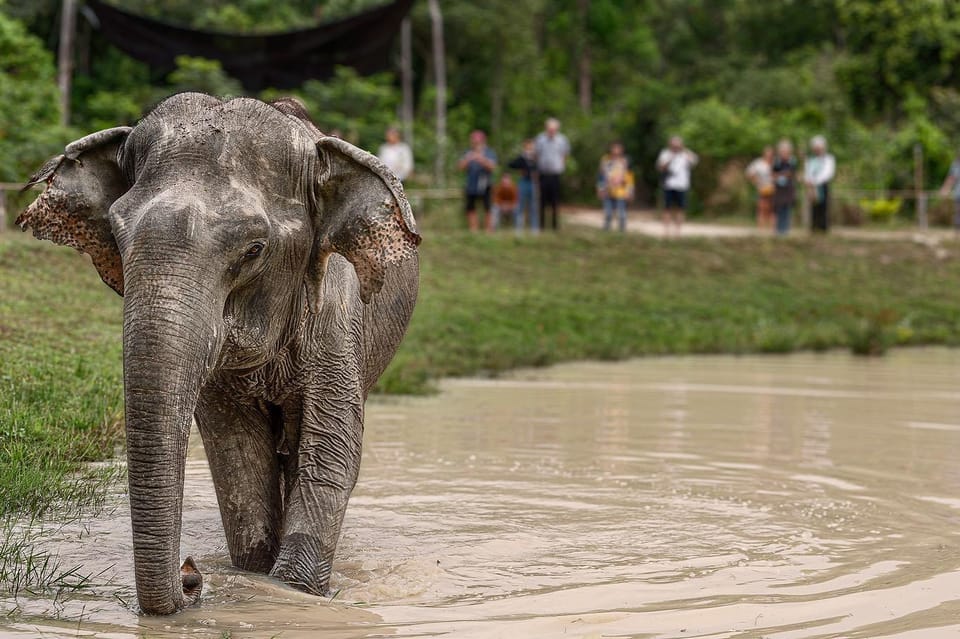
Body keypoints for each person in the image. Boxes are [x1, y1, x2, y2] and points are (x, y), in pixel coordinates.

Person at [656, 135, 698, 236]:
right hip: (668, 185)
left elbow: (694, 162)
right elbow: (660, 167)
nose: (675, 146)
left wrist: (683, 151)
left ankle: (678, 231)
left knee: (681, 208)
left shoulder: (686, 153)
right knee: (667, 208)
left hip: (682, 185)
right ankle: (666, 231)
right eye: (673, 144)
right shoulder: (665, 153)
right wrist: (671, 158)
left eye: (677, 144)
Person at [534, 117, 570, 231]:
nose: (551, 131)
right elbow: (536, 154)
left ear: (557, 129)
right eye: (549, 129)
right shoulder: (540, 139)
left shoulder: (562, 140)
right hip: (543, 173)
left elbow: (565, 155)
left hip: (555, 174)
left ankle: (555, 225)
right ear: (546, 128)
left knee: (555, 200)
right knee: (542, 201)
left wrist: (561, 166)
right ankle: (542, 225)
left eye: (553, 129)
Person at [458, 130, 497, 232]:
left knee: (487, 206)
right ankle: (473, 229)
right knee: (470, 207)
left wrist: (482, 159)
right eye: (473, 142)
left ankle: (488, 229)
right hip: (471, 184)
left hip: (486, 183)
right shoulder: (468, 152)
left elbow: (493, 167)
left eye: (477, 142)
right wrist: (468, 159)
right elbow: (460, 167)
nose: (475, 144)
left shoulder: (489, 152)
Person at [597, 142, 634, 231]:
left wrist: (630, 191)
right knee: (608, 213)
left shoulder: (625, 161)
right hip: (607, 190)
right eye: (614, 148)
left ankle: (622, 230)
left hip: (621, 191)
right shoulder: (605, 160)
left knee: (621, 213)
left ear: (622, 150)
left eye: (618, 148)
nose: (616, 151)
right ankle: (607, 229)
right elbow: (601, 176)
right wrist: (600, 189)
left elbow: (629, 178)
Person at [804, 135, 836, 233]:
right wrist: (809, 181)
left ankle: (823, 227)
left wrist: (816, 181)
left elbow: (828, 173)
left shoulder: (829, 159)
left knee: (823, 205)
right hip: (812, 186)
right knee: (813, 206)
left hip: (822, 185)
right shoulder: (810, 160)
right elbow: (807, 172)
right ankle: (814, 226)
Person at [507, 139, 539, 233]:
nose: (529, 148)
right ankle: (518, 228)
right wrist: (522, 160)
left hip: (533, 183)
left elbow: (539, 168)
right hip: (523, 182)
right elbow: (511, 164)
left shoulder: (536, 158)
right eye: (527, 146)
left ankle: (534, 229)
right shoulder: (522, 158)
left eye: (531, 146)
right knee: (520, 205)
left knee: (533, 206)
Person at [746, 146, 775, 231]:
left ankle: (771, 229)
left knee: (772, 209)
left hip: (773, 189)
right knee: (761, 208)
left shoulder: (775, 162)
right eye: (767, 153)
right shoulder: (758, 163)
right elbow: (749, 173)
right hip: (762, 188)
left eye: (770, 153)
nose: (769, 155)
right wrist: (756, 182)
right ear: (764, 153)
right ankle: (761, 229)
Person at [772, 139, 797, 236]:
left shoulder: (792, 161)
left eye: (785, 151)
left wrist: (781, 174)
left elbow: (791, 173)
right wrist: (782, 174)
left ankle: (785, 230)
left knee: (787, 209)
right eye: (782, 151)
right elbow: (774, 174)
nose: (784, 153)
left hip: (788, 188)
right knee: (779, 208)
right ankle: (778, 229)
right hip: (779, 188)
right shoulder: (777, 161)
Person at [939, 153, 960, 232]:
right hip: (958, 193)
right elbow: (951, 178)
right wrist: (945, 189)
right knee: (958, 212)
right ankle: (957, 232)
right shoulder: (956, 164)